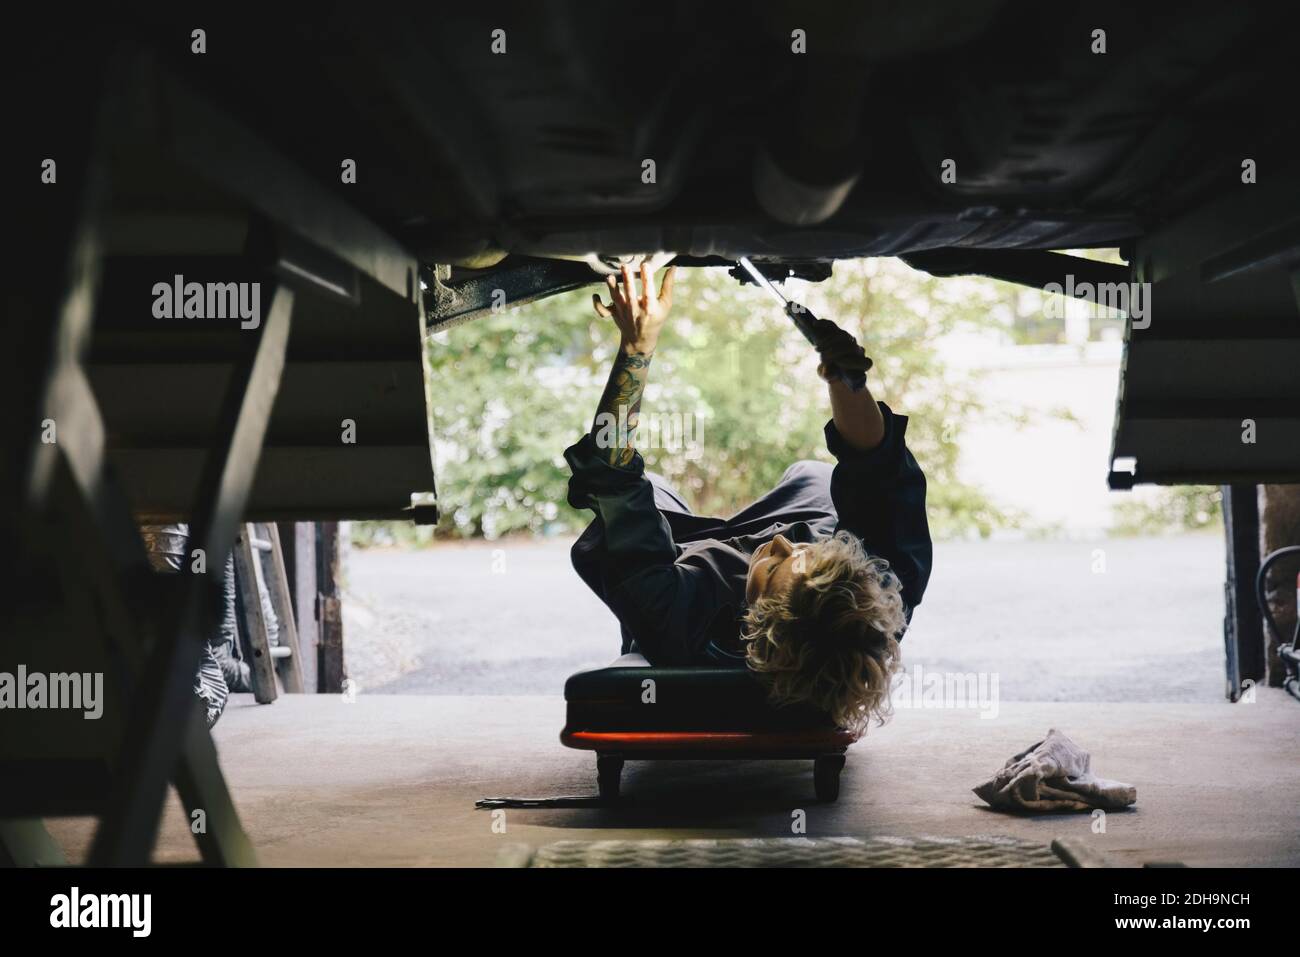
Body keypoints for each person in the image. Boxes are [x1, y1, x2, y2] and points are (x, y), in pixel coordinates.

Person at [565, 262, 933, 733]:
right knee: (813, 476)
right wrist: (846, 383)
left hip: (686, 562)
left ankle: (727, 556)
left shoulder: (675, 620)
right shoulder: (878, 595)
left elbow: (610, 473)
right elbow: (876, 465)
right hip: (807, 517)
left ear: (756, 626)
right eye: (804, 556)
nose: (781, 543)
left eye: (775, 570)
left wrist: (637, 347)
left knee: (646, 491)